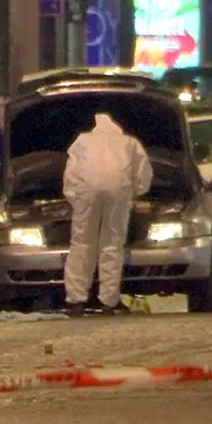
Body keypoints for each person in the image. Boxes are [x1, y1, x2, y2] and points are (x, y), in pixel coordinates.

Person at [62, 113, 154, 317]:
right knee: (112, 243)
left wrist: (74, 199)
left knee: (82, 242)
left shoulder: (83, 141)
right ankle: (108, 302)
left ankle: (76, 300)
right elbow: (142, 174)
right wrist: (134, 193)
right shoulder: (129, 142)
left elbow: (71, 172)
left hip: (87, 192)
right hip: (118, 191)